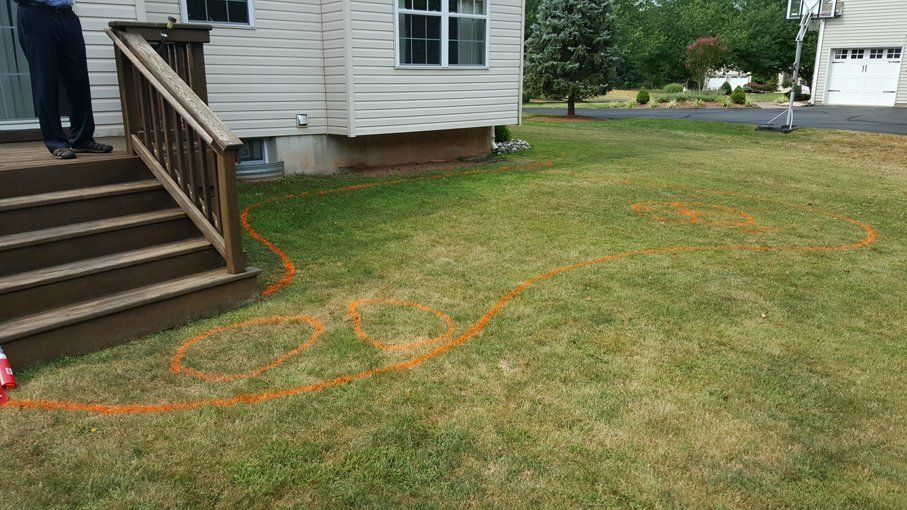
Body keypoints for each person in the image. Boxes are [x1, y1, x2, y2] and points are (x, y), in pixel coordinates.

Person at [16, 0, 112, 159]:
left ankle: (82, 139)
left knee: (78, 79)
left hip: (68, 15)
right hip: (36, 13)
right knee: (46, 80)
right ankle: (56, 143)